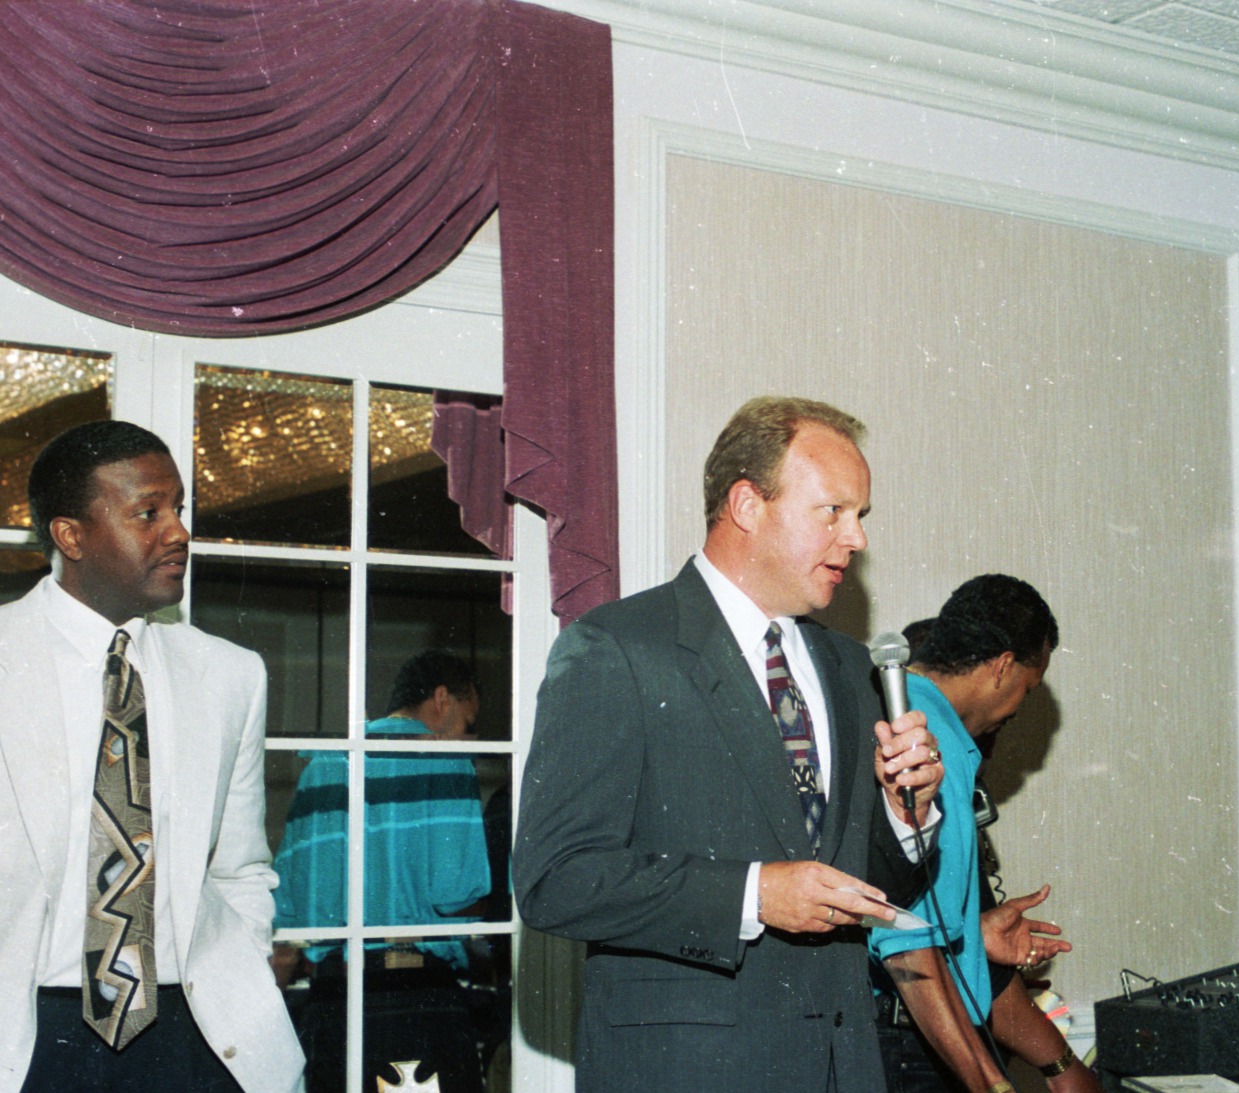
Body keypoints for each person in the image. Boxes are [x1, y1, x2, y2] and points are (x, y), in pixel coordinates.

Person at [513, 395, 943, 1092]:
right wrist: (752, 894)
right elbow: (554, 878)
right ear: (747, 505)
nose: (856, 539)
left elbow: (858, 886)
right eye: (832, 511)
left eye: (859, 516)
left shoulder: (848, 668)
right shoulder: (617, 648)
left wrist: (907, 813)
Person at [0, 420, 303, 1093]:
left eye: (179, 509)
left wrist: (241, 966)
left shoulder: (230, 675)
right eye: (148, 512)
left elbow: (241, 865)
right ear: (70, 535)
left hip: (193, 1036)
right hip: (27, 1039)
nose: (178, 532)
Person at [869, 577, 1099, 1093]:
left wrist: (972, 934)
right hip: (910, 1050)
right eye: (1028, 686)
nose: (1021, 706)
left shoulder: (901, 711)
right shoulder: (930, 743)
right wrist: (989, 1082)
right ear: (1002, 666)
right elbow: (906, 942)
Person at [273, 650, 491, 1093]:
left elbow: (288, 903)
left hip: (333, 998)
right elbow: (456, 891)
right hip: (417, 997)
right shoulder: (446, 760)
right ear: (442, 698)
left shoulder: (323, 766)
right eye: (468, 724)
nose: (466, 738)